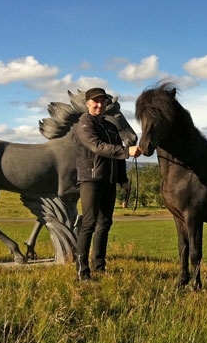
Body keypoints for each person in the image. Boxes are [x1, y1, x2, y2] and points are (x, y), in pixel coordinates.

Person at [74, 87, 141, 281]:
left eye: (102, 101)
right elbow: (97, 147)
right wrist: (127, 151)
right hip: (91, 180)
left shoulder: (111, 126)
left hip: (109, 181)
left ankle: (100, 266)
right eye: (95, 101)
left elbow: (117, 157)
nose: (99, 105)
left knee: (105, 223)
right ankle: (82, 271)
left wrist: (123, 179)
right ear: (87, 104)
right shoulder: (84, 124)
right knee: (89, 223)